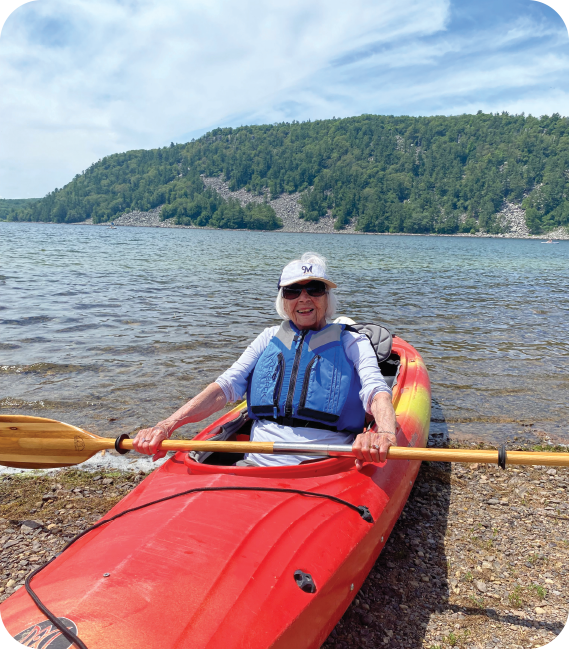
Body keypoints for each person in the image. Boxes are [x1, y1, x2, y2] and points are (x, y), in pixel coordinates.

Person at [134, 252, 397, 469]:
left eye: (314, 289)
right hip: (257, 462)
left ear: (327, 297)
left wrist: (384, 432)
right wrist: (166, 425)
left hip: (327, 463)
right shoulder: (269, 337)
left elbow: (376, 391)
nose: (303, 298)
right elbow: (224, 387)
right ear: (283, 300)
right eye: (292, 291)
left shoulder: (352, 341)